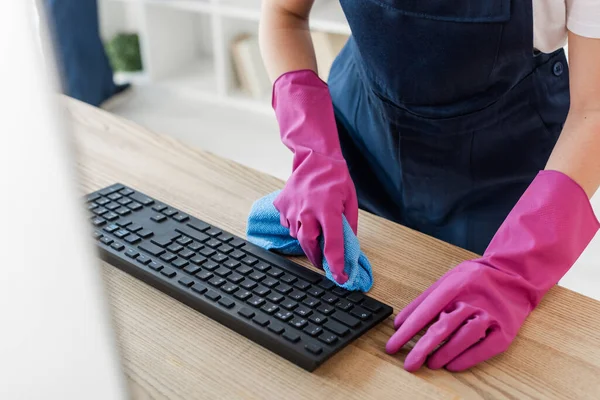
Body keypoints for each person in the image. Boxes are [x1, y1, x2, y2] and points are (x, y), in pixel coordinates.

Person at [259, 0, 600, 371]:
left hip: (500, 176)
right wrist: (313, 151)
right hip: (361, 139)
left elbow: (594, 108)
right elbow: (284, 15)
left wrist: (516, 269)